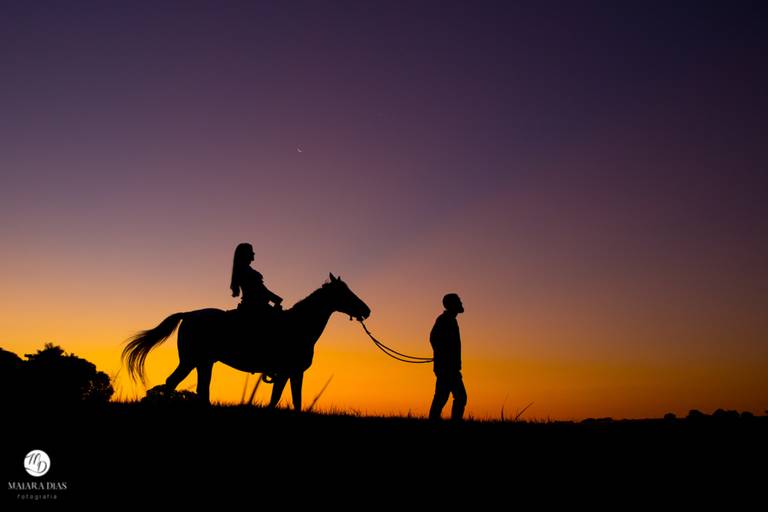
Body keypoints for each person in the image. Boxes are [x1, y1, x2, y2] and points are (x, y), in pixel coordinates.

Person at [428, 293, 467, 421]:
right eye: (458, 301)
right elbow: (434, 338)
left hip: (446, 366)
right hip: (447, 367)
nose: (461, 303)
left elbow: (434, 339)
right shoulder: (445, 320)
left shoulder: (448, 320)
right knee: (460, 397)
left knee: (442, 396)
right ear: (452, 305)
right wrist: (442, 355)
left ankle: (433, 420)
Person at [230, 242, 283, 316]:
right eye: (251, 251)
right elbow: (260, 289)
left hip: (257, 305)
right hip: (255, 307)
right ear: (245, 254)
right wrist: (276, 299)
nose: (253, 253)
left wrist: (276, 299)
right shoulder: (246, 271)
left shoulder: (246, 269)